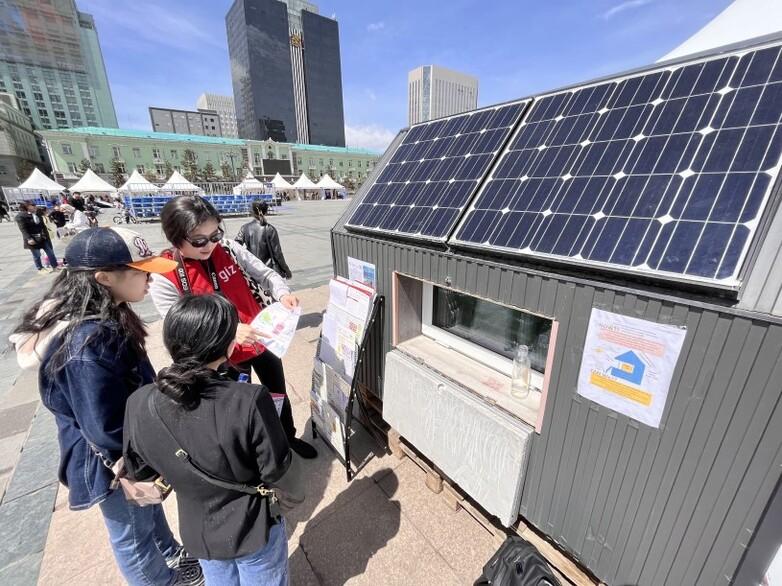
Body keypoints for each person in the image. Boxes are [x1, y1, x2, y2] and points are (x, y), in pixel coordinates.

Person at [10, 227, 204, 586]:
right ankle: (161, 581)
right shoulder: (87, 342)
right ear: (103, 278)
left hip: (131, 446)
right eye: (141, 272)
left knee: (148, 510)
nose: (150, 279)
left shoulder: (108, 312)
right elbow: (104, 426)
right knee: (132, 536)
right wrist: (144, 458)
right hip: (114, 461)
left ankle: (170, 553)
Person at [124, 294, 304, 586]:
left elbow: (141, 471)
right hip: (252, 526)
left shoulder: (139, 402)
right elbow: (275, 468)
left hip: (198, 531)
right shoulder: (249, 399)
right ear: (228, 344)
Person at [149, 195, 317, 459]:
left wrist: (282, 293)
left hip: (261, 339)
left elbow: (266, 273)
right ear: (175, 237)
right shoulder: (165, 275)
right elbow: (180, 328)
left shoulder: (227, 248)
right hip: (222, 358)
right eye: (199, 240)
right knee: (240, 409)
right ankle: (257, 455)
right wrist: (228, 332)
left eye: (214, 235)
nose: (209, 245)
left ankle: (288, 437)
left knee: (277, 393)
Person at [236, 201, 292, 279]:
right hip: (268, 270)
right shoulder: (270, 229)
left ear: (252, 212)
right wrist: (286, 270)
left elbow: (235, 247)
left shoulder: (244, 228)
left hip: (251, 269)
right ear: (266, 211)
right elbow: (278, 253)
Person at [15, 201, 58, 273]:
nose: (35, 206)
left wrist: (47, 235)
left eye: (34, 205)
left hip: (43, 237)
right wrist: (29, 238)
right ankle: (40, 268)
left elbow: (43, 225)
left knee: (50, 252)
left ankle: (55, 266)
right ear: (26, 206)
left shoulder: (37, 213)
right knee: (37, 255)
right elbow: (23, 229)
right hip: (33, 238)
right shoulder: (21, 216)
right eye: (32, 205)